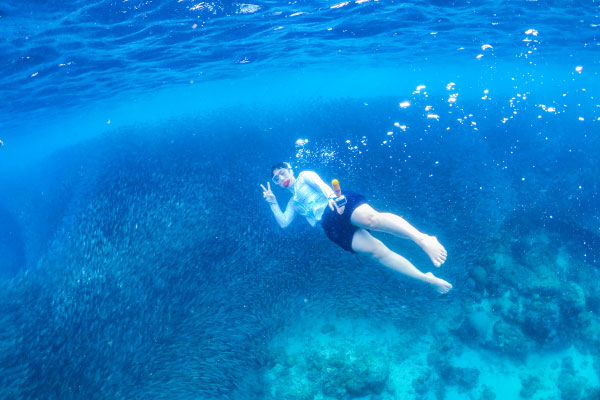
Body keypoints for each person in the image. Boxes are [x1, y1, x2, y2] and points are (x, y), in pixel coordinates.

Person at [260, 162, 452, 294]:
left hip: (338, 203)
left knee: (372, 220)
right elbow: (284, 222)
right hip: (330, 226)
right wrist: (272, 203)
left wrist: (332, 199)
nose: (280, 178)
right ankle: (427, 279)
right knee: (378, 253)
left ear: (290, 169)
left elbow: (321, 185)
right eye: (276, 179)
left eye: (282, 172)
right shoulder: (293, 203)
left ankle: (423, 239)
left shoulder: (304, 176)